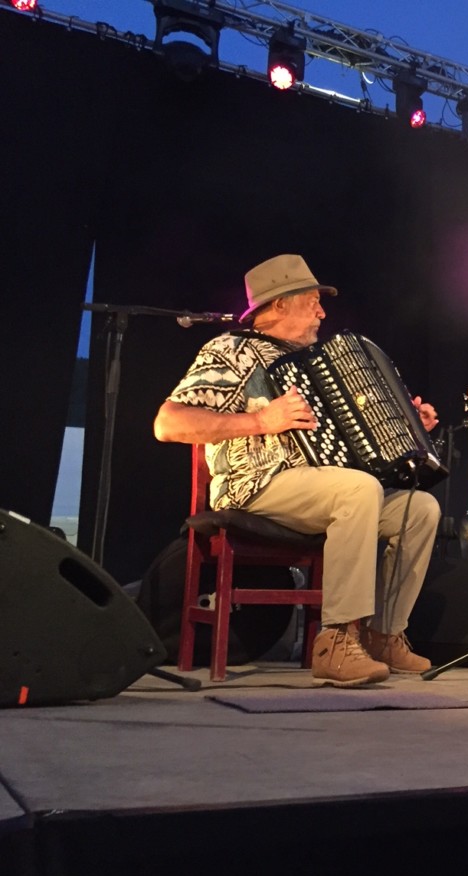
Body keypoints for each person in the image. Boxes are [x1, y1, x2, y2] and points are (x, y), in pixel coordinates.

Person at [154, 254, 442, 687]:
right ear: (279, 305)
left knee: (419, 508)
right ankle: (336, 642)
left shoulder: (319, 360)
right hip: (255, 487)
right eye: (312, 301)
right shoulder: (231, 351)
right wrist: (260, 421)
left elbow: (358, 442)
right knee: (357, 490)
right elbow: (168, 423)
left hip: (324, 488)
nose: (323, 312)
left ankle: (383, 633)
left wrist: (408, 427)